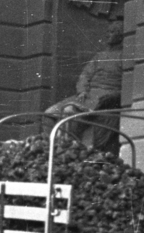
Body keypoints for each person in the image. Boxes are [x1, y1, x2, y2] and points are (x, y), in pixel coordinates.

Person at [46, 19, 124, 154]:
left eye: (112, 32)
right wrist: (82, 90)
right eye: (108, 32)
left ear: (120, 35)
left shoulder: (125, 56)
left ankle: (65, 150)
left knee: (69, 111)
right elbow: (85, 76)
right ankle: (48, 148)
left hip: (104, 96)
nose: (108, 35)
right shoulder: (99, 56)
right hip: (87, 95)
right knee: (49, 113)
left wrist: (114, 95)